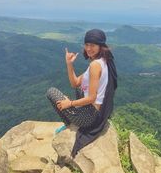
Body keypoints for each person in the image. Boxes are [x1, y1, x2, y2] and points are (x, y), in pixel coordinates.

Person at [46, 29, 117, 157]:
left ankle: (70, 124)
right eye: (87, 44)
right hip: (97, 113)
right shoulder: (102, 61)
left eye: (93, 45)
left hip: (90, 117)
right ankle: (73, 120)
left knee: (51, 92)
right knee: (79, 88)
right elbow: (75, 83)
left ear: (100, 46)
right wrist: (69, 64)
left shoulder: (96, 65)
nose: (89, 48)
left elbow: (91, 97)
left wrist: (70, 103)